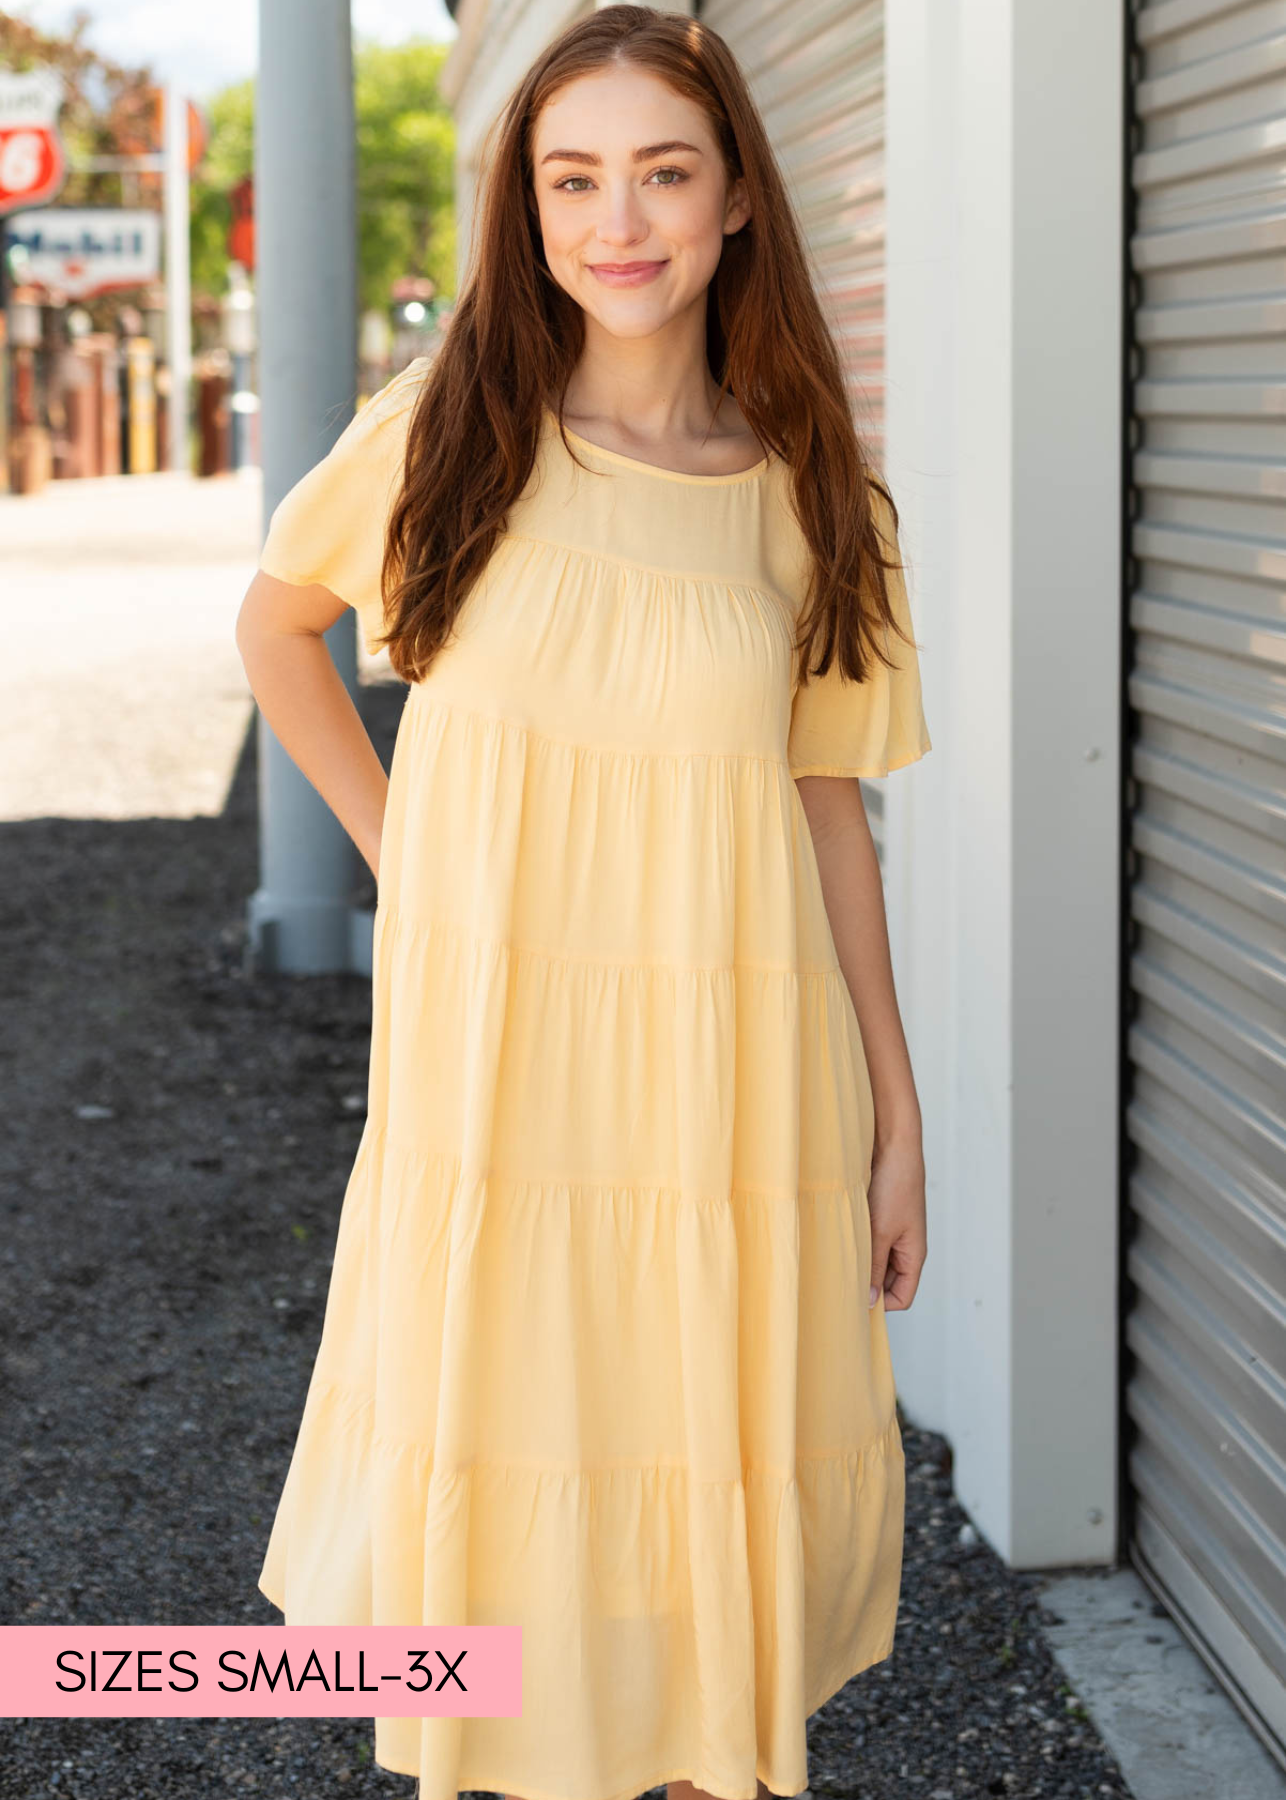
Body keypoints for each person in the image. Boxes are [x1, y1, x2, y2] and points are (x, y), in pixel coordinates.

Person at [234, 8, 932, 1800]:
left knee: (705, 1503)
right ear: (527, 210)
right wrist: (411, 867)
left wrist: (895, 1114)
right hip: (502, 1069)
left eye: (662, 172)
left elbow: (827, 806)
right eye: (572, 178)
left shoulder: (811, 496)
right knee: (517, 1475)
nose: (616, 219)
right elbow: (278, 632)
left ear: (735, 208)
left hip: (737, 1072)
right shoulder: (453, 430)